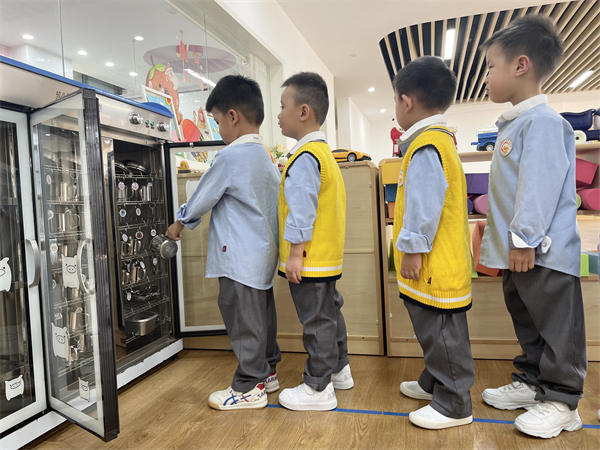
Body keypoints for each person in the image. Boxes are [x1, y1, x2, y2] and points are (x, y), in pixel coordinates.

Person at [479, 15, 587, 439]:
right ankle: (531, 382)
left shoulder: (542, 122)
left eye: (491, 66)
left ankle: (563, 400)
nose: (486, 76)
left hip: (543, 251)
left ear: (521, 65)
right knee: (528, 320)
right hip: (518, 253)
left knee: (557, 326)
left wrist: (524, 239)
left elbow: (537, 186)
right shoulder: (516, 124)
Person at [166, 75, 281, 410]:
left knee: (242, 318)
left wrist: (179, 222)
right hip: (263, 252)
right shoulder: (264, 156)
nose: (218, 129)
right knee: (262, 316)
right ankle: (268, 372)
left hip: (239, 255)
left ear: (233, 117)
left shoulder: (230, 157)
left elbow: (203, 196)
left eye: (217, 122)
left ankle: (248, 386)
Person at [392, 56, 474, 430]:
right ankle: (435, 382)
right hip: (438, 263)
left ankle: (455, 403)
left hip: (432, 265)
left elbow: (424, 204)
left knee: (441, 332)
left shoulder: (426, 145)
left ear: (407, 102)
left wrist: (413, 248)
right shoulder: (438, 141)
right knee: (433, 330)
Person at [276, 72, 353, 411]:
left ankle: (318, 386)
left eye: (283, 107)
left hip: (309, 258)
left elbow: (301, 209)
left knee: (316, 321)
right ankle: (339, 369)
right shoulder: (323, 153)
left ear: (303, 111)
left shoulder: (304, 157)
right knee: (329, 313)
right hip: (325, 257)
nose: (279, 115)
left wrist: (296, 253)